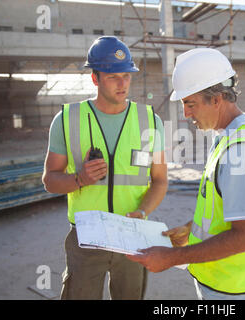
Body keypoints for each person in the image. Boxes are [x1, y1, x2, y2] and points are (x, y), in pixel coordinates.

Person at [127, 48, 245, 300]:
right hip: (226, 284)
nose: (186, 114)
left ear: (217, 99)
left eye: (190, 103)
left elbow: (243, 237)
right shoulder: (226, 141)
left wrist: (172, 258)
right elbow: (224, 211)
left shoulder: (241, 153)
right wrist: (191, 230)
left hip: (236, 290)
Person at [42, 36, 168, 300]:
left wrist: (143, 210)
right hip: (86, 239)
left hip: (131, 235)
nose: (123, 84)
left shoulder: (149, 121)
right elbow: (50, 180)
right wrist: (79, 178)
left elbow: (159, 180)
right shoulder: (68, 120)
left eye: (127, 75)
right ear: (95, 78)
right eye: (113, 77)